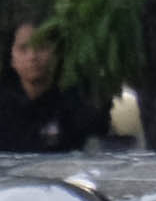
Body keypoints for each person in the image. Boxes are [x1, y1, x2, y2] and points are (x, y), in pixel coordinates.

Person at [0, 22, 90, 154]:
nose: (32, 56)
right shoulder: (4, 108)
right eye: (23, 49)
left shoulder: (75, 105)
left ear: (56, 54)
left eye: (41, 47)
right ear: (12, 58)